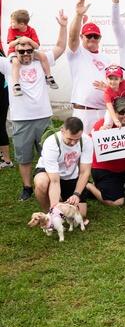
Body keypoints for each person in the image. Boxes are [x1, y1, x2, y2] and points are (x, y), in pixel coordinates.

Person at [0, 12, 67, 201]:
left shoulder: (40, 61)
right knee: (24, 157)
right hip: (21, 120)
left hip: (44, 118)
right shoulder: (8, 64)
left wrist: (63, 26)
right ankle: (27, 187)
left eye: (29, 51)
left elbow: (60, 47)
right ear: (15, 52)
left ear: (33, 51)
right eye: (21, 51)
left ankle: (52, 184)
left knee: (50, 154)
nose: (26, 54)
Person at [33, 117, 93, 223]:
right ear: (62, 131)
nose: (73, 143)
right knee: (41, 183)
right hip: (49, 174)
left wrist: (76, 194)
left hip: (71, 175)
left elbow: (85, 172)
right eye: (70, 139)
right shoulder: (51, 143)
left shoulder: (86, 140)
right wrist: (54, 210)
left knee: (81, 215)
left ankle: (63, 203)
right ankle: (48, 214)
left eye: (77, 139)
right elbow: (54, 181)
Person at [67, 0, 111, 134]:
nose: (92, 38)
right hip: (83, 112)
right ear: (82, 37)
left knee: (101, 147)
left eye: (95, 36)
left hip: (104, 111)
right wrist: (79, 15)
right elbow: (72, 37)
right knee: (81, 144)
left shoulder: (106, 58)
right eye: (89, 36)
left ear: (100, 38)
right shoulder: (77, 52)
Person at [7, 9, 57, 96]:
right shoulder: (11, 29)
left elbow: (36, 46)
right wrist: (19, 40)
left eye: (13, 22)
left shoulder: (31, 30)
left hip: (29, 52)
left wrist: (28, 40)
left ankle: (49, 76)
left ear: (22, 24)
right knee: (16, 63)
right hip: (15, 52)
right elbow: (10, 44)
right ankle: (16, 85)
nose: (11, 24)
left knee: (43, 56)